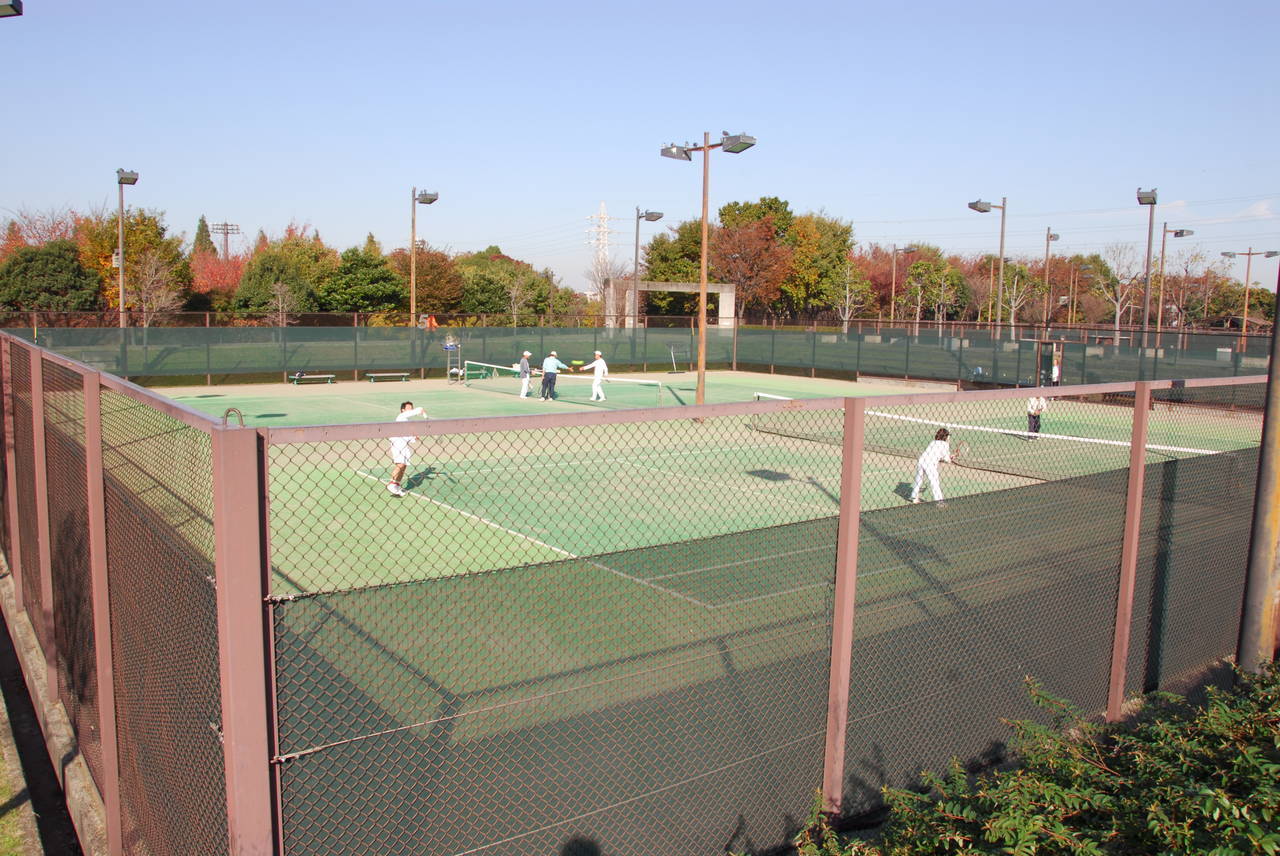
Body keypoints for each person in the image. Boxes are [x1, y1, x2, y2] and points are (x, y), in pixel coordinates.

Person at [387, 401, 427, 497]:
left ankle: (396, 485)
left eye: (411, 408)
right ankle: (391, 484)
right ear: (403, 410)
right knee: (400, 464)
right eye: (408, 408)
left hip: (404, 445)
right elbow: (414, 412)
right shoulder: (401, 417)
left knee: (404, 465)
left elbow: (408, 436)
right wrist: (419, 409)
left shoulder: (407, 422)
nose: (410, 410)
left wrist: (414, 438)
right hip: (397, 444)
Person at [910, 428, 952, 505]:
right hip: (930, 465)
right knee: (935, 483)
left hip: (921, 461)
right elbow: (946, 459)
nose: (949, 438)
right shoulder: (945, 445)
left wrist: (949, 457)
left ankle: (914, 497)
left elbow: (939, 455)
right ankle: (939, 501)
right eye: (948, 436)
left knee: (918, 480)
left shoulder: (933, 442)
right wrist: (950, 459)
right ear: (945, 437)